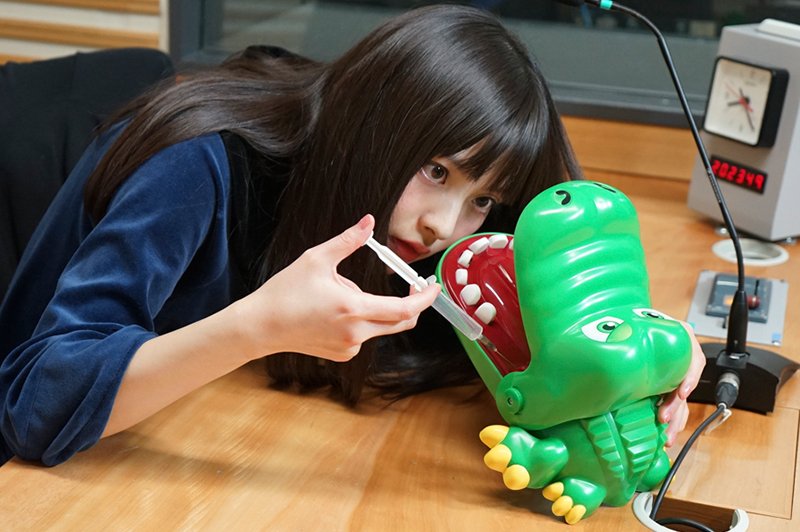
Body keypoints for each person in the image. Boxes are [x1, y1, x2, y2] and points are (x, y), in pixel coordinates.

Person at [0, 4, 703, 467]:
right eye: (436, 170)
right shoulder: (198, 164)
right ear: (373, 127)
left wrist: (630, 346)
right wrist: (255, 327)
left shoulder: (407, 228)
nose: (444, 226)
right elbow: (37, 406)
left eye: (483, 200)